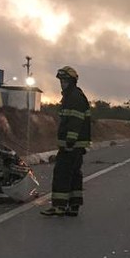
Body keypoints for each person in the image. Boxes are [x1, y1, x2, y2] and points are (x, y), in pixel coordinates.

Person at [41, 66, 92, 217]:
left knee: (62, 173)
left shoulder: (74, 98)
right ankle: (74, 205)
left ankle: (59, 206)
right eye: (61, 81)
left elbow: (75, 121)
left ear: (72, 82)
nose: (62, 84)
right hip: (76, 145)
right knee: (74, 174)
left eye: (65, 81)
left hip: (71, 145)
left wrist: (70, 140)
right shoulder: (74, 96)